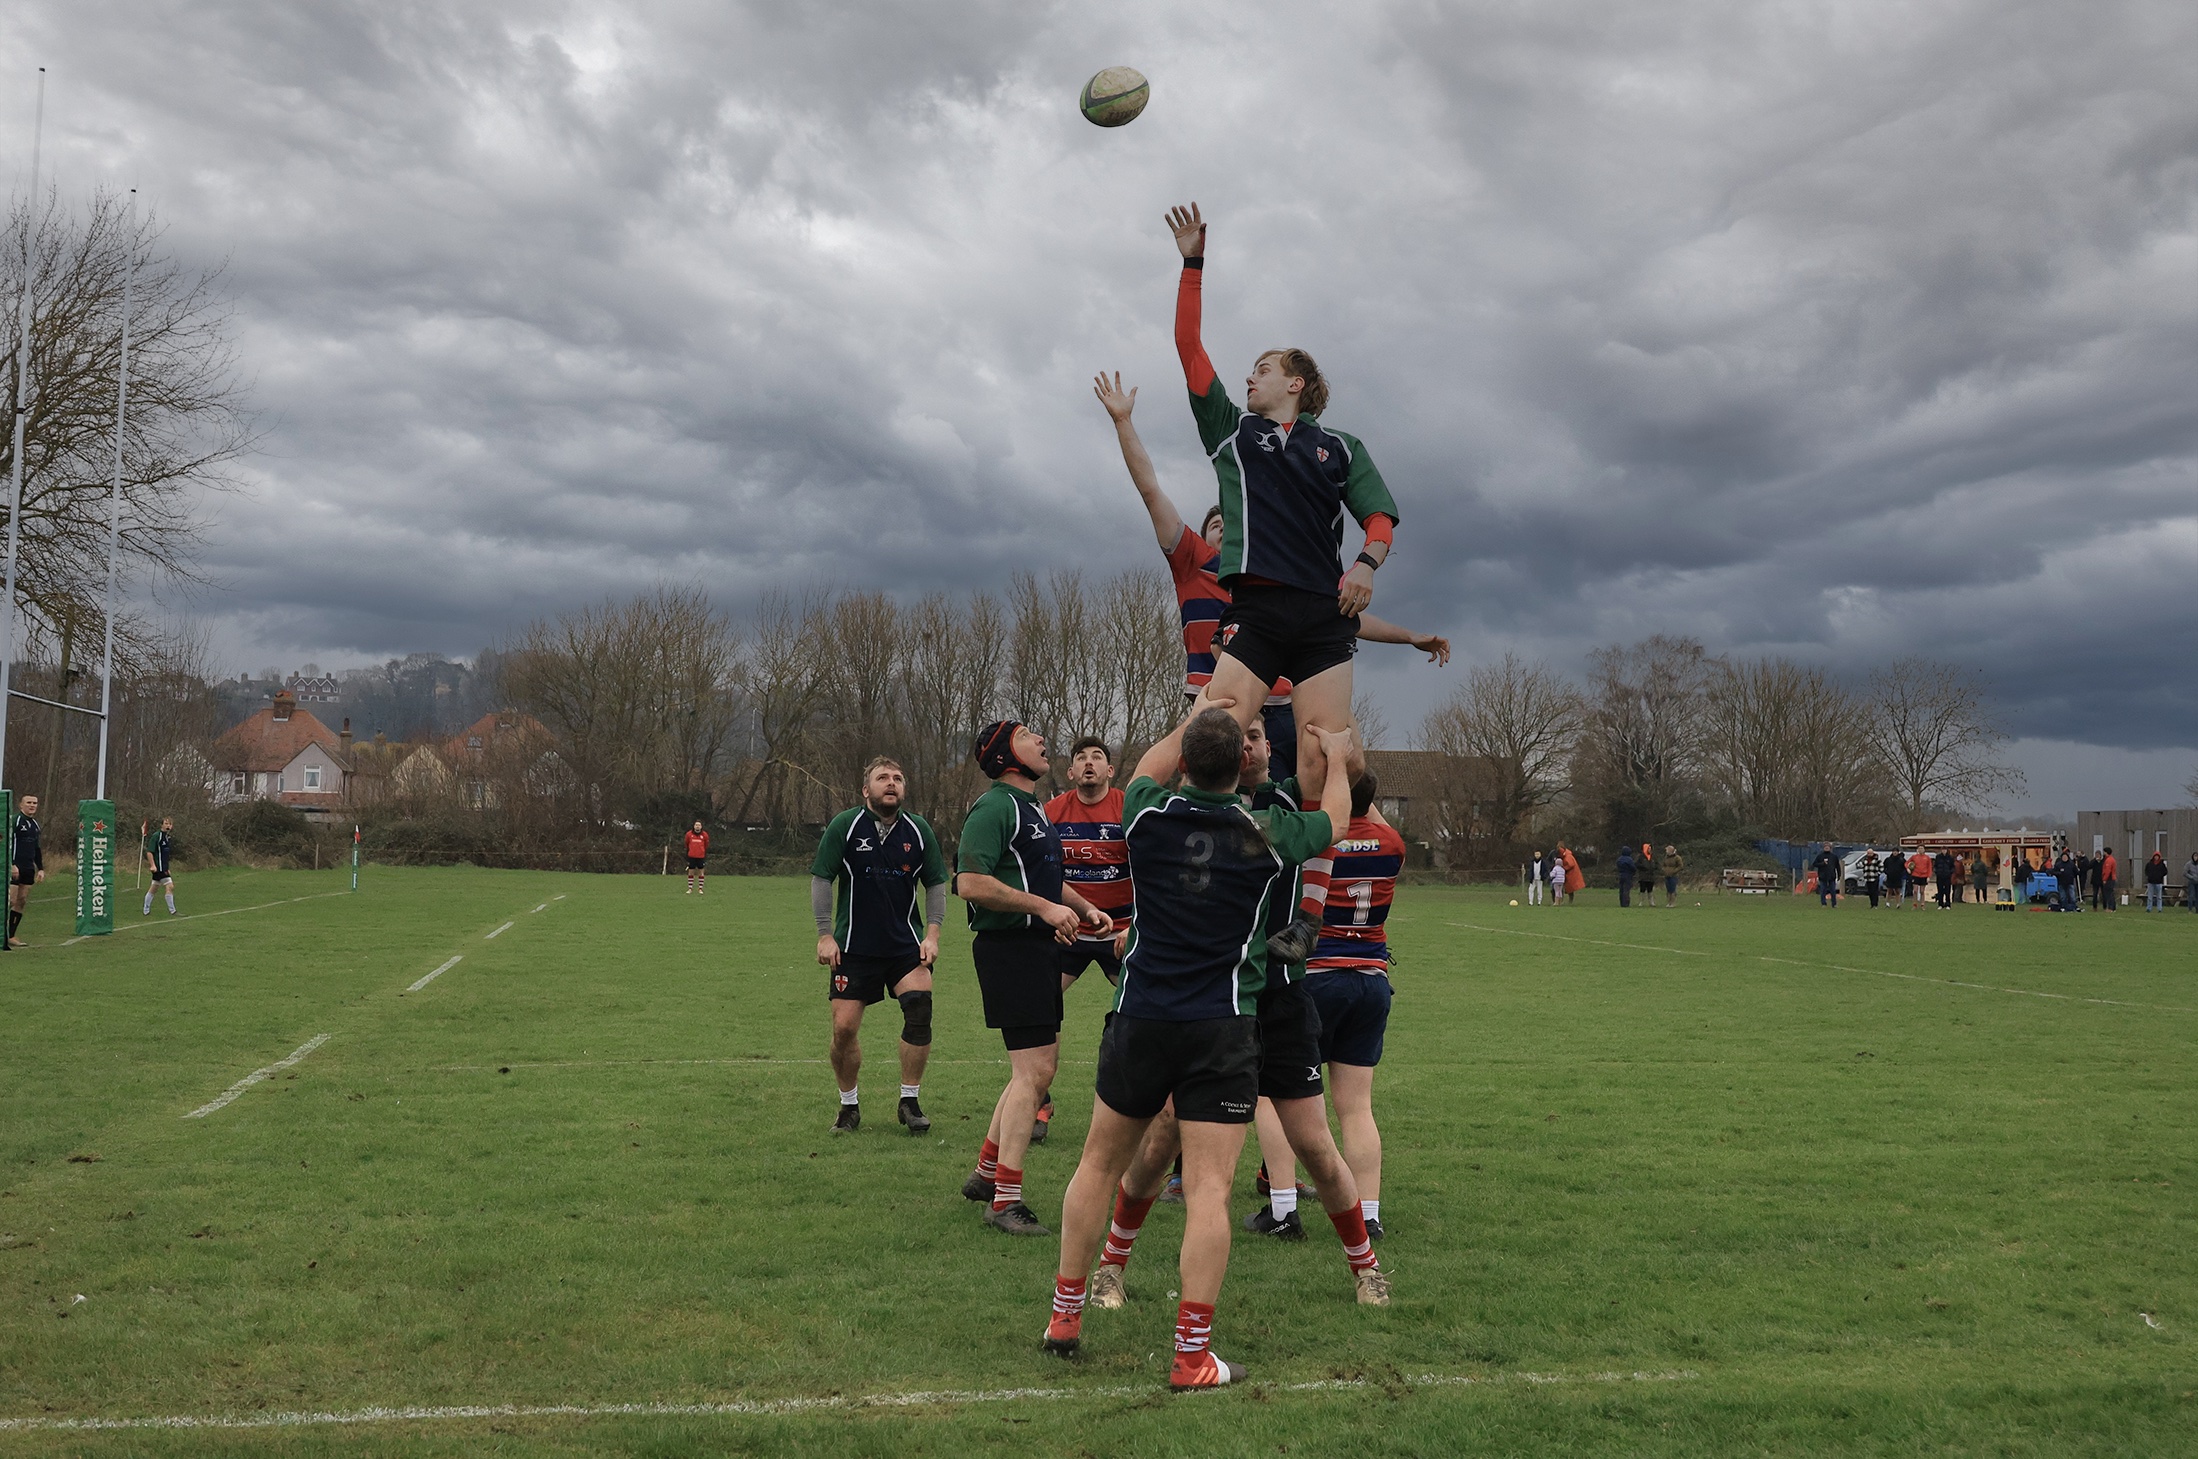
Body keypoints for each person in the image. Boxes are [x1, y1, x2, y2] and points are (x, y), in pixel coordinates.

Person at [1041, 707, 1359, 1389]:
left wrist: (1199, 708)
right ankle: (1190, 1357)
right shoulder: (1266, 832)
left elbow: (1145, 769)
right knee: (1209, 1189)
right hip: (1220, 1025)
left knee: (1097, 1165)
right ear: (1242, 763)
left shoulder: (1145, 814)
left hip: (1141, 1016)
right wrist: (1334, 753)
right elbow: (1335, 817)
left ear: (1185, 762)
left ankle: (1065, 1317)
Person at [1095, 368, 1442, 939]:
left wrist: (1408, 636)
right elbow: (1151, 488)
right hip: (1223, 706)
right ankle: (1171, 907)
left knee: (1332, 774)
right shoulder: (1193, 561)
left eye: (1231, 518)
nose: (1226, 525)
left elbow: (1341, 614)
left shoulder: (1288, 567)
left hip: (1286, 703)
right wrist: (1125, 423)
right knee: (1197, 800)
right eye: (1216, 522)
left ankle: (1305, 917)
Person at [1163, 203, 1402, 967]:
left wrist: (1366, 565)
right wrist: (1192, 263)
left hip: (1322, 618)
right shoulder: (1231, 434)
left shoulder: (1341, 448)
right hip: (1259, 610)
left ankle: (1307, 918)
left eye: (1263, 368)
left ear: (1295, 382)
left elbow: (1380, 516)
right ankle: (1184, 854)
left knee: (1327, 760)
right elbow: (1187, 347)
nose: (1249, 376)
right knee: (1214, 727)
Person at [957, 722, 1113, 1235]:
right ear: (1005, 754)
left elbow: (1046, 879)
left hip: (1036, 948)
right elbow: (970, 882)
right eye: (1027, 735)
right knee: (1035, 1073)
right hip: (1010, 950)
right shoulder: (994, 807)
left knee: (1032, 1072)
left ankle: (987, 1174)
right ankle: (1005, 1200)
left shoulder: (1033, 809)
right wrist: (1044, 909)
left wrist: (1082, 907)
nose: (1042, 740)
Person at [812, 759, 949, 1137]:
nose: (892, 783)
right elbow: (822, 878)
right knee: (843, 1029)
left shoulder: (919, 830)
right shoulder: (845, 825)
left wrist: (932, 935)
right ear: (865, 790)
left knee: (919, 1009)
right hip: (853, 948)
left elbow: (936, 883)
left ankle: (909, 1101)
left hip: (905, 947)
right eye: (883, 778)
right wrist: (825, 934)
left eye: (898, 778)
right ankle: (849, 1105)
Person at [7, 794, 41, 948]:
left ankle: (11, 935)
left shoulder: (35, 824)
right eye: (28, 802)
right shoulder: (15, 820)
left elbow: (36, 848)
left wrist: (40, 868)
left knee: (21, 900)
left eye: (34, 803)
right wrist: (12, 864)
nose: (32, 805)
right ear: (21, 805)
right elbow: (7, 843)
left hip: (28, 868)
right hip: (15, 867)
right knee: (10, 900)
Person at [143, 816, 178, 916]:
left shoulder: (167, 837)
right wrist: (153, 865)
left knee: (154, 888)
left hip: (164, 868)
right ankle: (172, 911)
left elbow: (164, 855)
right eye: (166, 823)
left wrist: (167, 868)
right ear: (161, 825)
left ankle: (146, 909)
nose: (168, 826)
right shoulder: (156, 836)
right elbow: (149, 852)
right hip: (159, 868)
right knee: (170, 886)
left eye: (170, 824)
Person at [683, 819, 710, 894]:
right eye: (696, 825)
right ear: (694, 826)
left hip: (701, 856)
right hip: (691, 856)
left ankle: (700, 889)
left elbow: (706, 845)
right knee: (691, 872)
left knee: (701, 872)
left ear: (701, 826)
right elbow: (686, 844)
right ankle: (690, 888)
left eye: (699, 825)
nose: (697, 826)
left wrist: (702, 851)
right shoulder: (689, 834)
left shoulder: (704, 835)